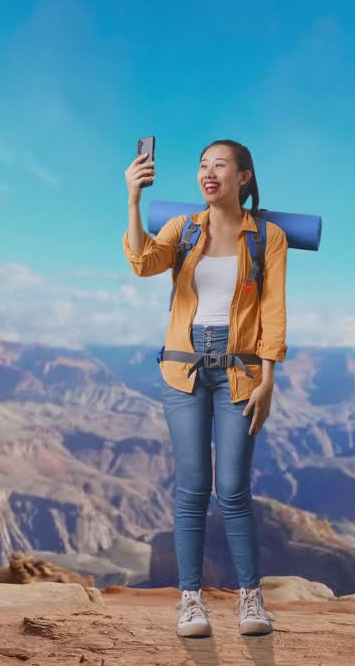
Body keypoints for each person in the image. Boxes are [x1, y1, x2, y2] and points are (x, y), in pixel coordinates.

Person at [122, 139, 288, 637]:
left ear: (244, 177)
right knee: (192, 489)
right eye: (202, 166)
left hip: (240, 373)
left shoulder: (268, 237)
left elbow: (273, 312)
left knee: (234, 489)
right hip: (183, 371)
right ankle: (190, 602)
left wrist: (268, 379)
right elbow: (143, 263)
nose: (207, 173)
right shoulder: (182, 229)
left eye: (219, 166)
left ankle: (250, 601)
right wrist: (133, 200)